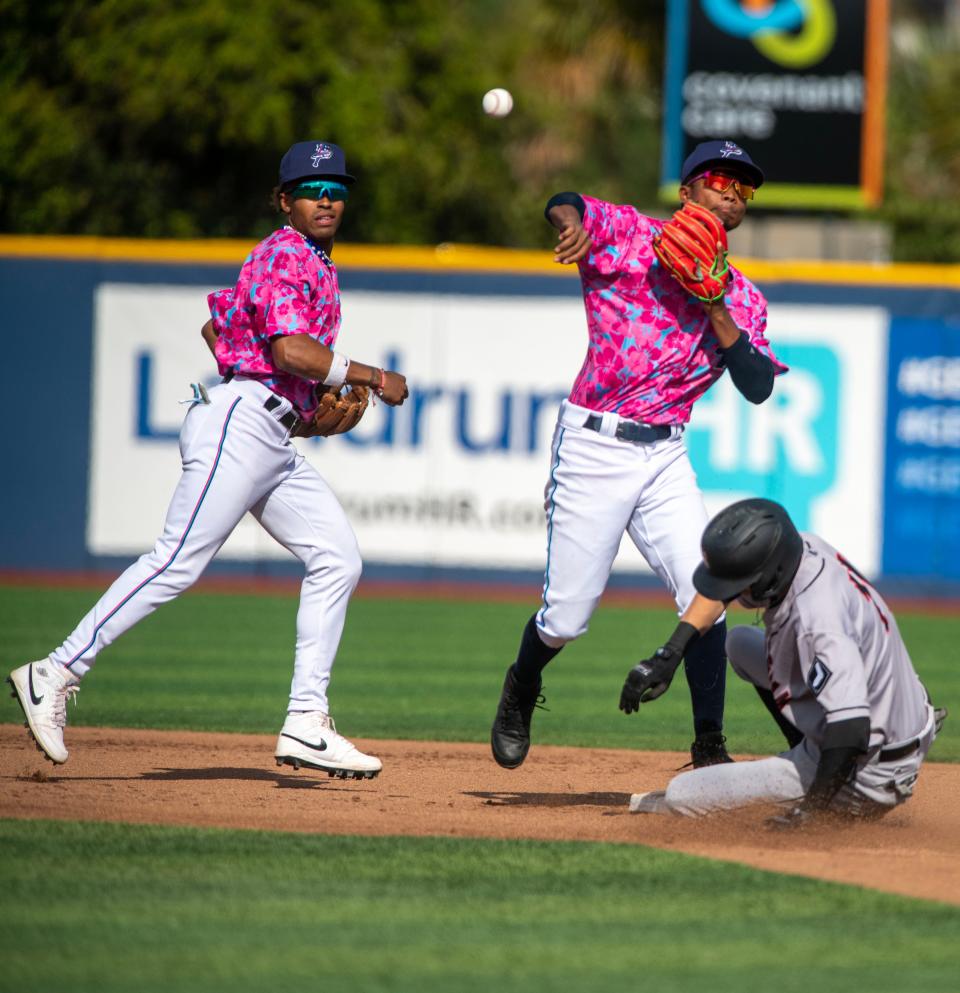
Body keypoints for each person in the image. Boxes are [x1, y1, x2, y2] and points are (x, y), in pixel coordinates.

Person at [7, 140, 408, 780]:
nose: (327, 199)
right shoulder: (283, 252)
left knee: (337, 557)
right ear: (285, 201)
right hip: (240, 422)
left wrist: (300, 411)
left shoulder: (311, 261)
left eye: (337, 189)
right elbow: (289, 354)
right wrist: (371, 374)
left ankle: (306, 721)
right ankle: (54, 670)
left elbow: (220, 330)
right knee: (175, 560)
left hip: (269, 434)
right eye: (313, 189)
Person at [490, 139, 787, 770]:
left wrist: (714, 305)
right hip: (596, 443)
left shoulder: (743, 298)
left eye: (743, 186)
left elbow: (758, 386)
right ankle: (523, 683)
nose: (731, 190)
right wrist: (567, 224)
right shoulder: (630, 237)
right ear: (687, 193)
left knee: (704, 594)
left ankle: (709, 744)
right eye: (718, 179)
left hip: (665, 455)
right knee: (566, 617)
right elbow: (566, 203)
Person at [623, 498, 947, 825]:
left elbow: (852, 729)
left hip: (871, 767)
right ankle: (803, 749)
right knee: (738, 643)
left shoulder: (817, 621)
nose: (732, 594)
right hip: (901, 712)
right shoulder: (802, 548)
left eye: (740, 585)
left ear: (770, 577)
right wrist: (672, 651)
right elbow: (726, 586)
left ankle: (826, 787)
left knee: (682, 796)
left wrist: (811, 811)